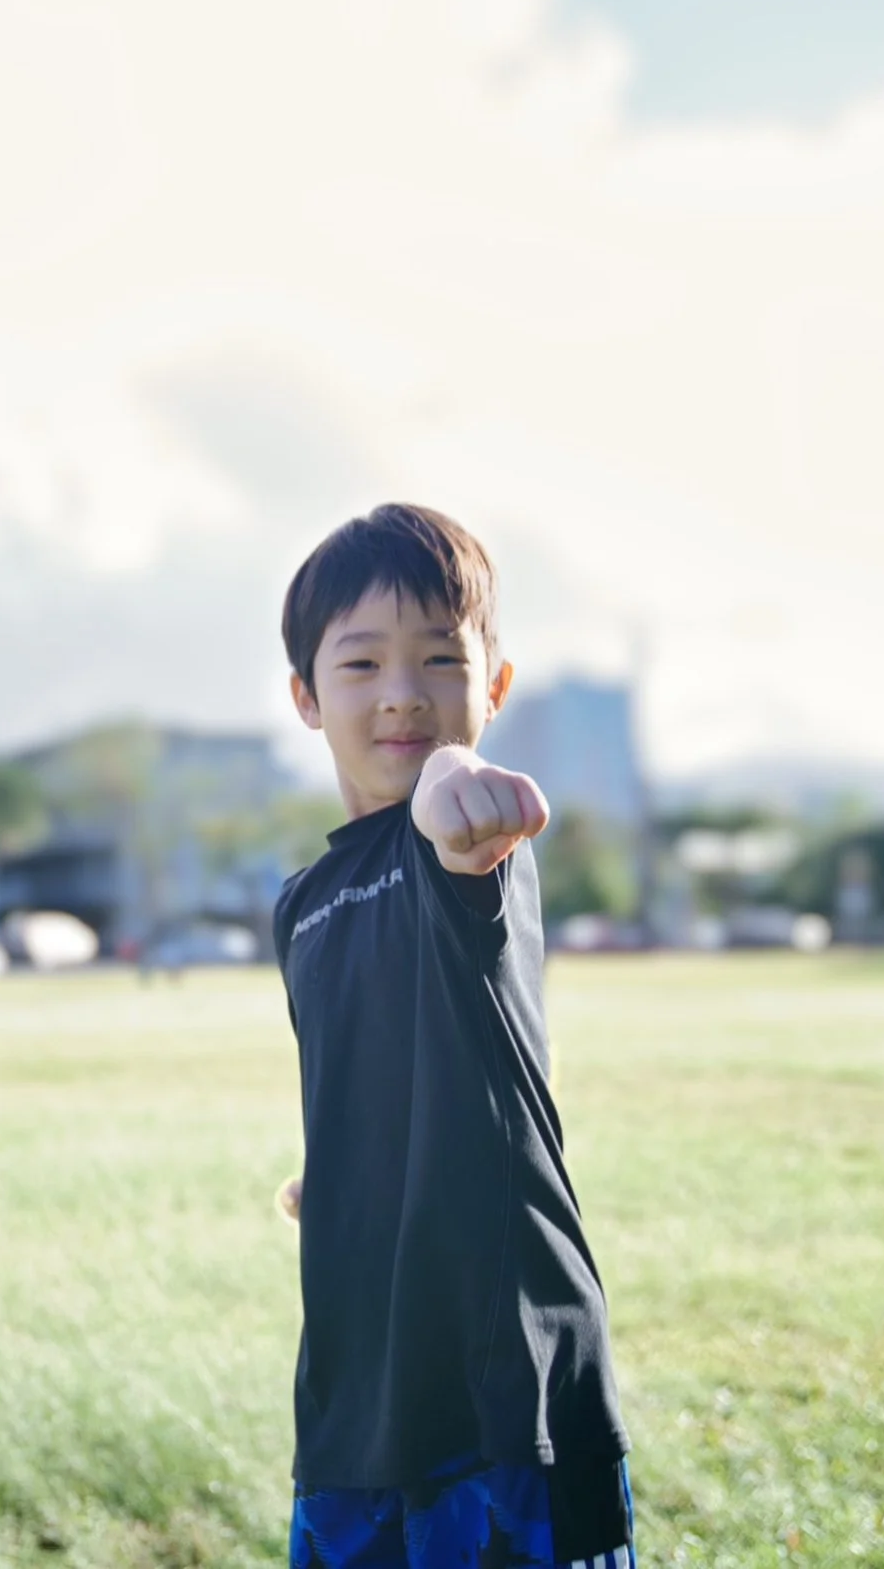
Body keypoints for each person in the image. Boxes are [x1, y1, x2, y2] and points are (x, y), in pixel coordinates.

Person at [271, 503, 636, 1569]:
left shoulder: (474, 843)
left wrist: (447, 782)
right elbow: (428, 1045)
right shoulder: (302, 902)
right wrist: (338, 1166)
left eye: (440, 657)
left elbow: (448, 822)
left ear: (495, 686)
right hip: (355, 1387)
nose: (402, 692)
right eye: (362, 662)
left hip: (501, 1385)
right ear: (304, 696)